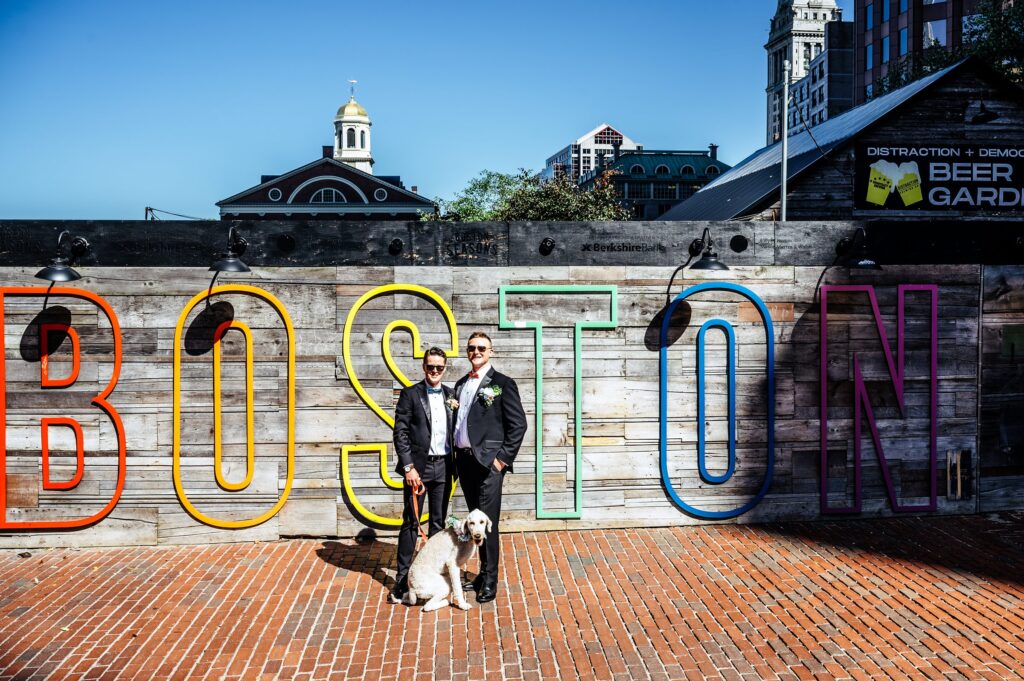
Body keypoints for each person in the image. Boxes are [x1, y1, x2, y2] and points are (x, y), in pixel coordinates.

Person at [453, 331, 527, 603]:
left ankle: (490, 578)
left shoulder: (503, 384)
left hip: (488, 465)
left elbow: (518, 425)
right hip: (464, 463)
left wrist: (501, 460)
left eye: (481, 347)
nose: (476, 351)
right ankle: (482, 573)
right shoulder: (461, 384)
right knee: (474, 523)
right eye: (471, 347)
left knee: (487, 525)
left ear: (491, 351)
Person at [389, 347, 457, 604]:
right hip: (418, 467)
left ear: (445, 367)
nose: (435, 371)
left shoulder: (452, 394)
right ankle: (402, 578)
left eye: (439, 367)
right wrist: (408, 467)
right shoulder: (410, 394)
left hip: (445, 466)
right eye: (431, 367)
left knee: (438, 525)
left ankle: (434, 574)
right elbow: (401, 432)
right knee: (410, 522)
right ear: (424, 367)